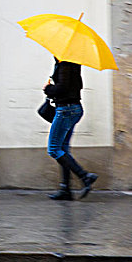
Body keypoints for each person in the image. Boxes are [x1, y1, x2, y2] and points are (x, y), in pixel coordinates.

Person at [43, 57, 98, 200]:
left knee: (54, 149)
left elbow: (63, 88)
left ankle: (84, 176)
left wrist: (48, 89)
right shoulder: (72, 63)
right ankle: (65, 189)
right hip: (73, 109)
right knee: (63, 150)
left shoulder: (65, 64)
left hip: (66, 110)